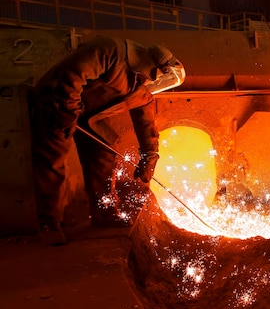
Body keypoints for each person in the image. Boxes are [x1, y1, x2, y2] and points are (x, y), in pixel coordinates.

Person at [30, 36, 185, 245]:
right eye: (157, 77)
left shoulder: (140, 89)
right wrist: (68, 108)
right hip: (58, 104)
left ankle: (103, 212)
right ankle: (49, 222)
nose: (155, 83)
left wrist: (150, 155)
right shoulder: (110, 51)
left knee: (103, 154)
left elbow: (146, 126)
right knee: (54, 158)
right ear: (151, 67)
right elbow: (72, 73)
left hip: (88, 117)